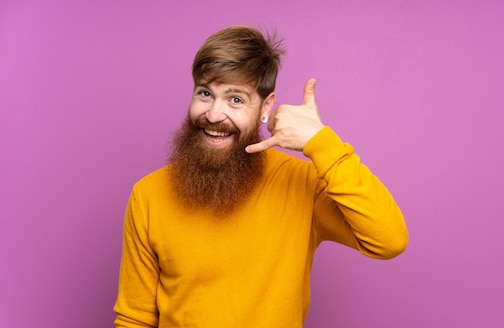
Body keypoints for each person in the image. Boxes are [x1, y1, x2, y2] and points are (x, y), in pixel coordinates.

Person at [113, 25, 408, 328]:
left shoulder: (302, 184)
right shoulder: (148, 194)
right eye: (205, 93)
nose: (214, 115)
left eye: (235, 99)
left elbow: (389, 240)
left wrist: (322, 142)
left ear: (266, 106)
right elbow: (134, 319)